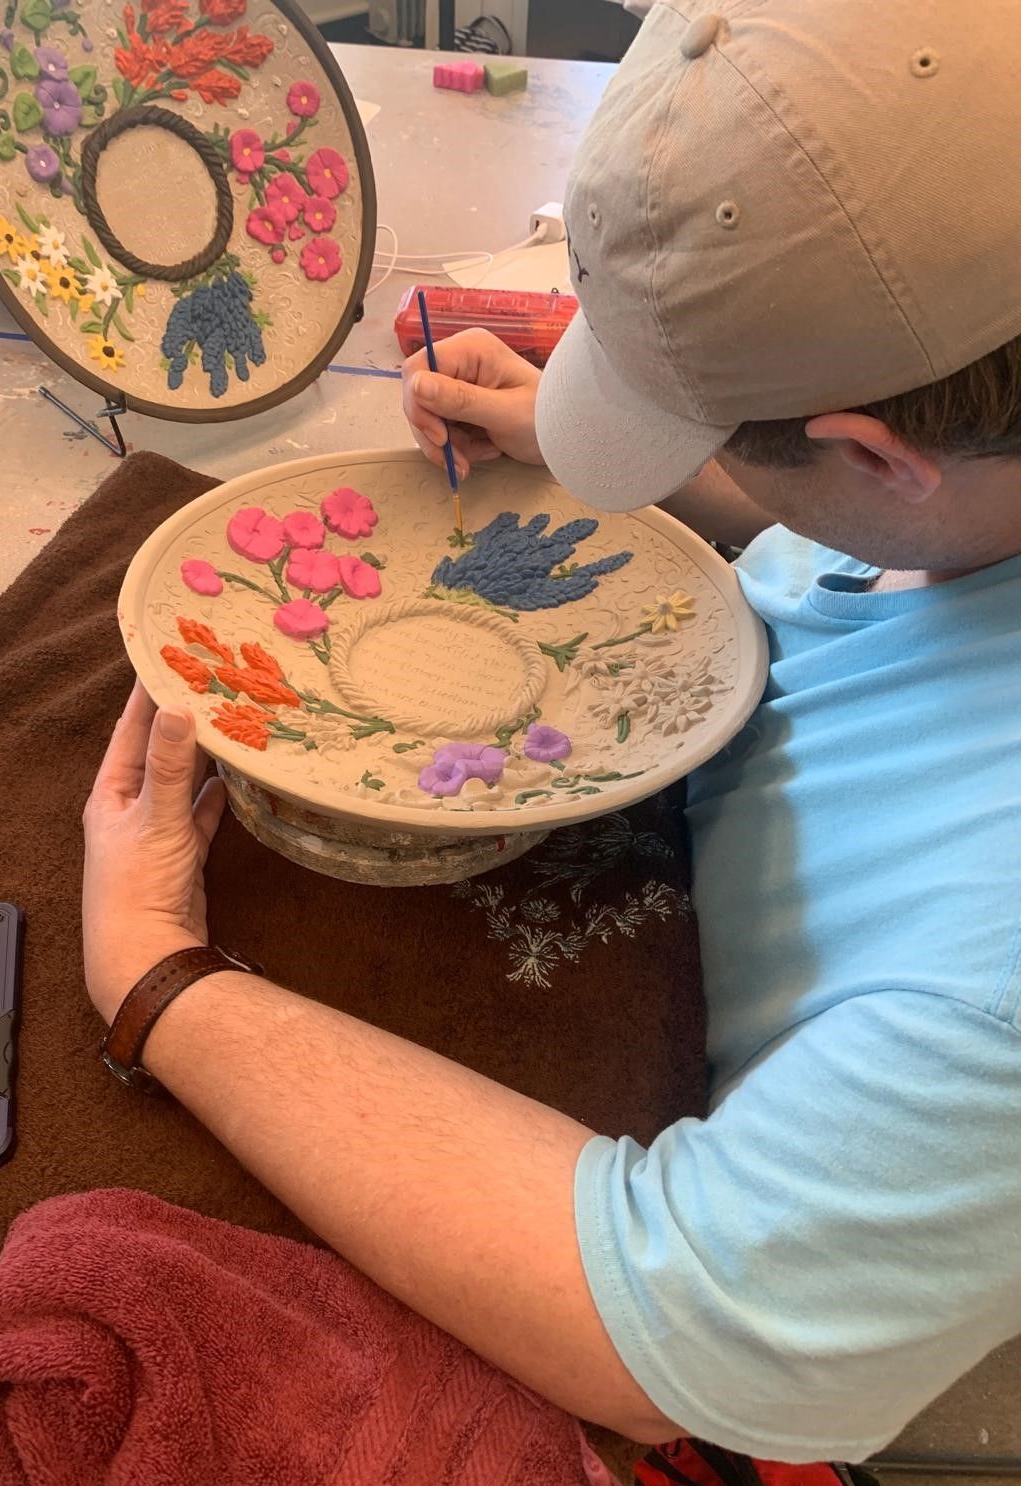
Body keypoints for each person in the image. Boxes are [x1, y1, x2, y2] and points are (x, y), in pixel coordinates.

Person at [81, 1, 1021, 1463]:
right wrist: (693, 487)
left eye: (730, 441)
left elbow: (679, 1327)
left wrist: (161, 977)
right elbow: (893, 563)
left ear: (879, 453)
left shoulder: (995, 978)